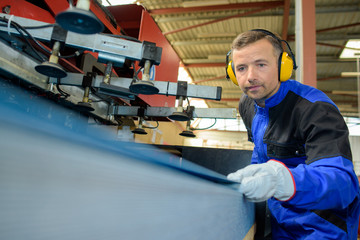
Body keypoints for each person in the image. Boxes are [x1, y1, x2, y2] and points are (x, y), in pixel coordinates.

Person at [226, 29, 360, 239]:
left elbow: (342, 184)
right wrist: (255, 173)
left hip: (323, 228)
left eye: (261, 65)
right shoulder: (247, 105)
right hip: (281, 221)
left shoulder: (315, 109)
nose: (250, 77)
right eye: (241, 68)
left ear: (283, 66)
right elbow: (261, 152)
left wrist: (283, 181)